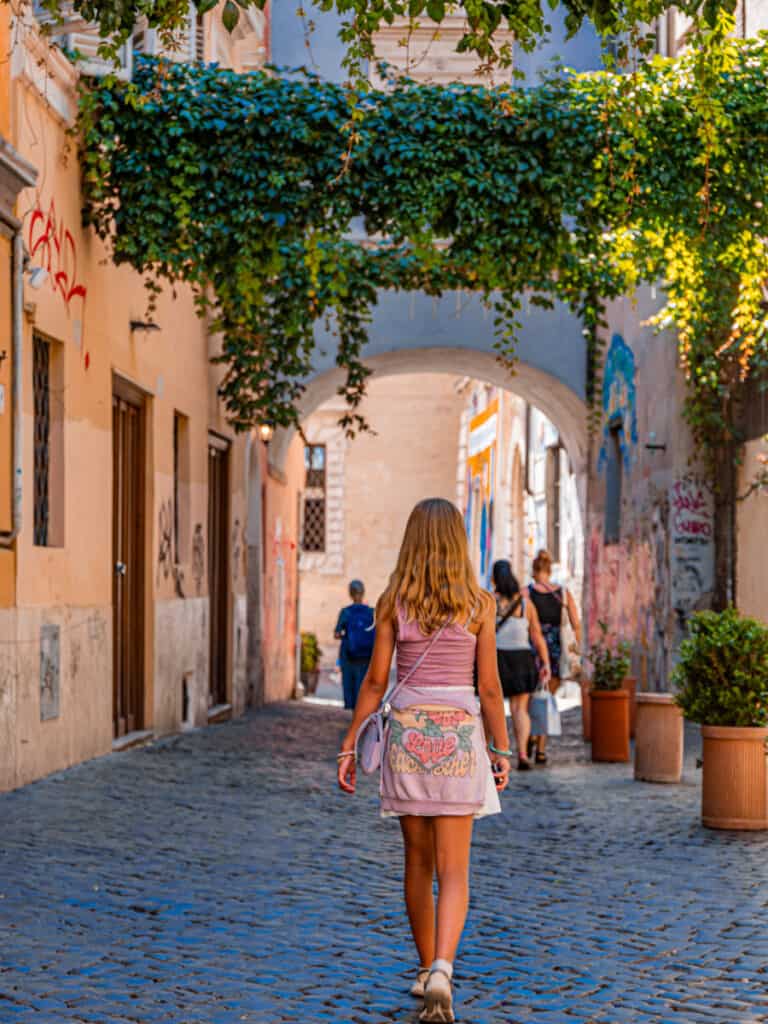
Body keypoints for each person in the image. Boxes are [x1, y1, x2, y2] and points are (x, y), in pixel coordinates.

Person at [337, 498, 511, 1024]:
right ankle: (442, 969)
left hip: (409, 736)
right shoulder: (480, 605)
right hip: (459, 736)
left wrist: (349, 745)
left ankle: (422, 968)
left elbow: (374, 682)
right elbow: (488, 688)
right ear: (459, 543)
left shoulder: (392, 603)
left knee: (416, 863)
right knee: (455, 870)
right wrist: (501, 750)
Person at [491, 560, 550, 771]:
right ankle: (523, 754)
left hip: (496, 659)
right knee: (519, 709)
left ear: (494, 579)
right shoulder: (526, 605)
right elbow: (537, 636)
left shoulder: (489, 603)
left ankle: (492, 756)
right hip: (522, 660)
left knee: (490, 707)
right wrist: (545, 663)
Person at [527, 548, 582, 764]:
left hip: (531, 647)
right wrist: (579, 647)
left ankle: (530, 735)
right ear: (549, 570)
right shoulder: (563, 593)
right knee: (548, 697)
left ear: (534, 571)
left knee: (531, 697)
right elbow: (576, 624)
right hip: (555, 648)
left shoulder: (526, 592)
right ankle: (541, 748)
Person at [334, 580, 375, 710]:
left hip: (348, 655)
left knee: (349, 684)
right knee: (363, 684)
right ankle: (362, 711)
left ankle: (352, 712)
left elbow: (336, 633)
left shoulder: (346, 612)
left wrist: (346, 636)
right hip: (367, 655)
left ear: (350, 594)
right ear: (363, 593)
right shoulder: (371, 612)